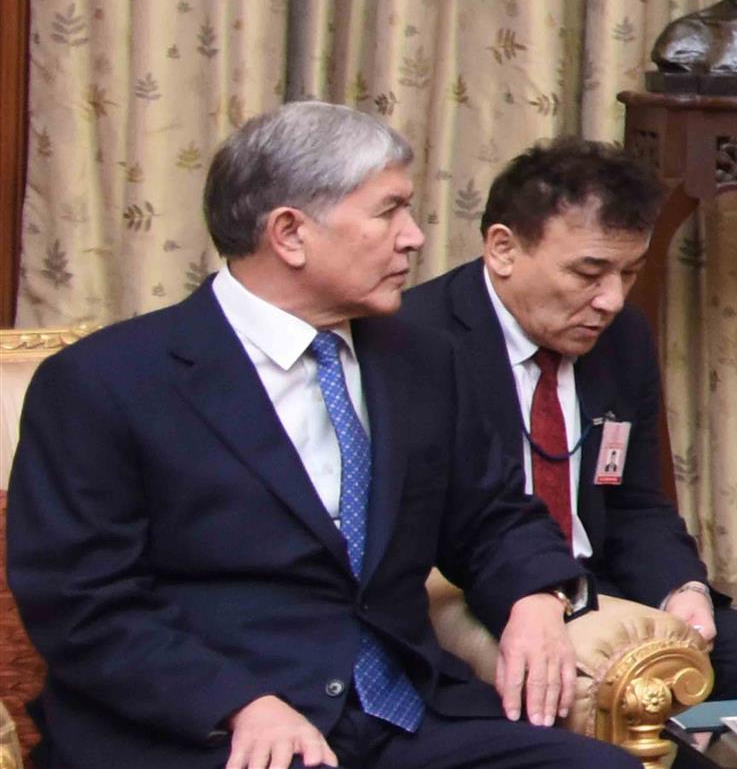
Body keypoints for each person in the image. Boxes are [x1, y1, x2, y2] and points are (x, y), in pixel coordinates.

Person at [4, 102, 663, 768]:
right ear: (290, 233)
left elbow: (491, 516)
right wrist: (238, 703)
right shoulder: (107, 381)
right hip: (209, 728)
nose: (413, 237)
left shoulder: (423, 359)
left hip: (400, 718)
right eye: (389, 211)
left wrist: (532, 597)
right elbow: (84, 604)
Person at [402, 138, 737, 701]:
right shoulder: (418, 339)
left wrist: (681, 588)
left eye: (629, 273)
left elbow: (632, 502)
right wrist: (534, 592)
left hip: (593, 581)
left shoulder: (622, 339)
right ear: (502, 249)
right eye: (589, 273)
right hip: (477, 584)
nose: (612, 301)